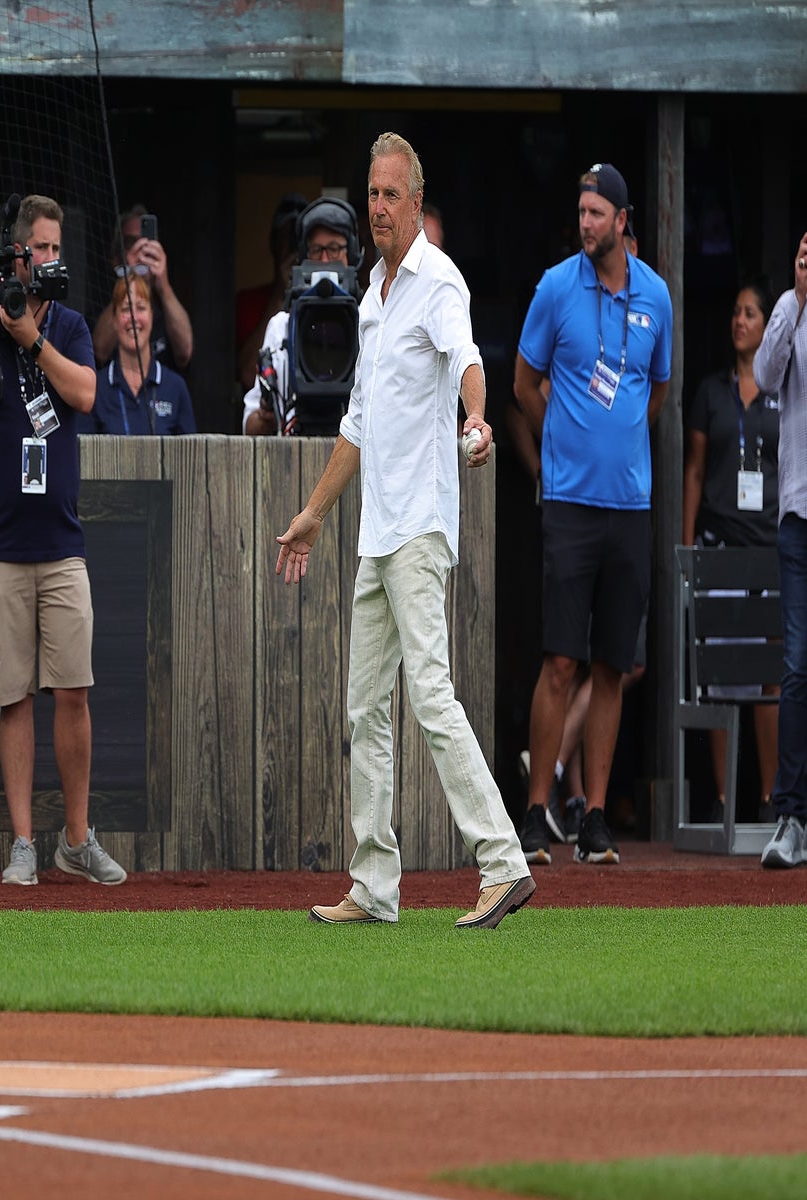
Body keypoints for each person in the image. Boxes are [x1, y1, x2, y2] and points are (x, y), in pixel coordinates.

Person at [275, 132, 534, 931]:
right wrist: (314, 515)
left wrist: (481, 419)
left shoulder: (438, 281)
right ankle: (375, 886)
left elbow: (469, 361)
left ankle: (503, 861)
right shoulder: (372, 299)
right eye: (372, 194)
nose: (378, 207)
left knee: (428, 693)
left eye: (391, 195)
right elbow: (356, 423)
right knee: (364, 711)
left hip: (420, 525)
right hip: (373, 535)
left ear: (417, 203)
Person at [0, 193, 127, 888]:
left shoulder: (74, 327)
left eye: (59, 249)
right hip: (0, 543)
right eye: (42, 249)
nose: (51, 260)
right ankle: (24, 841)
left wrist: (34, 341)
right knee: (15, 696)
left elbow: (86, 394)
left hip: (61, 542)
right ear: (18, 255)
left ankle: (76, 839)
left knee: (75, 690)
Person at [514, 163, 672, 866]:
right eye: (580, 211)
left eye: (596, 213)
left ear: (622, 220)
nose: (585, 223)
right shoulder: (555, 286)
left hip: (630, 509)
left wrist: (621, 446)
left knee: (612, 665)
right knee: (559, 660)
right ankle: (535, 811)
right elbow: (522, 381)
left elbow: (657, 391)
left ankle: (598, 817)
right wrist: (562, 442)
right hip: (571, 504)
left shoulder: (657, 297)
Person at [683, 278, 780, 820]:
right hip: (718, 545)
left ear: (768, 327)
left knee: (770, 674)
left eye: (750, 313)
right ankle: (722, 800)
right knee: (718, 672)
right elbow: (694, 471)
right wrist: (686, 545)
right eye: (736, 313)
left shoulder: (783, 391)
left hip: (769, 544)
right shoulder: (710, 391)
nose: (739, 321)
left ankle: (769, 800)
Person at [754, 234, 807, 869]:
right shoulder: (789, 310)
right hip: (796, 514)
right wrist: (794, 299)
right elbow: (765, 376)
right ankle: (791, 817)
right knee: (797, 666)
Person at [240, 195, 363, 437]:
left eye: (335, 249)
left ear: (352, 254)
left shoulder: (370, 321)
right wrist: (267, 416)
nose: (325, 261)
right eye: (317, 250)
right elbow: (249, 426)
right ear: (304, 257)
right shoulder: (281, 326)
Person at [80, 272, 196, 435]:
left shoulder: (176, 387)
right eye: (126, 309)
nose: (133, 317)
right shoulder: (96, 388)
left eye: (141, 308)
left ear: (152, 316)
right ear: (113, 319)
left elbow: (190, 454)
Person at [91, 204, 193, 371]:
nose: (141, 252)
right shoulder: (102, 308)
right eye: (132, 243)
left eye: (147, 243)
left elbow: (185, 353)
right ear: (116, 259)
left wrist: (163, 283)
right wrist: (129, 275)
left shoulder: (164, 310)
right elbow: (100, 350)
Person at [236, 192, 308, 388]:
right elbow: (248, 376)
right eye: (287, 236)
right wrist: (280, 295)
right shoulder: (248, 302)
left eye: (299, 238)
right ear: (273, 243)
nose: (293, 246)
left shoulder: (328, 300)